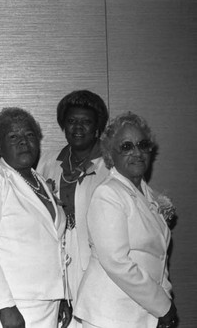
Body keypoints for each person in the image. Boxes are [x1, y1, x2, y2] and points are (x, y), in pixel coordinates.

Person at [0, 107, 72, 328]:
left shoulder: (38, 180)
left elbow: (53, 243)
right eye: (14, 136)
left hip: (45, 302)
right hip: (7, 304)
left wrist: (61, 295)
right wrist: (5, 306)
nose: (24, 142)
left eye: (30, 135)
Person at [75, 112, 177, 328]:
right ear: (111, 154)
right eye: (126, 146)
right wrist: (162, 306)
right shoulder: (108, 194)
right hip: (110, 314)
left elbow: (158, 258)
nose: (137, 152)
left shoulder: (147, 194)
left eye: (142, 144)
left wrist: (163, 300)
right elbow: (117, 262)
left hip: (140, 312)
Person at [37, 90, 109, 327]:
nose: (78, 127)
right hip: (56, 260)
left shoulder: (111, 165)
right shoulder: (46, 162)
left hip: (97, 261)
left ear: (97, 127)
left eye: (86, 122)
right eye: (71, 121)